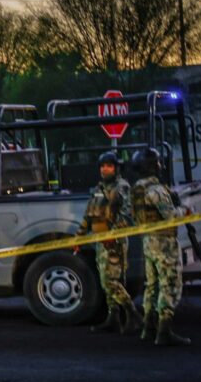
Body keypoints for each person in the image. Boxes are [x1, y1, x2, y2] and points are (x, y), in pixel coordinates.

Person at [75, 151, 141, 334]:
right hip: (100, 241)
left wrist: (113, 234)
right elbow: (89, 215)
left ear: (116, 168)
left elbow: (127, 215)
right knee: (106, 282)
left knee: (112, 281)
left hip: (114, 241)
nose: (105, 169)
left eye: (109, 166)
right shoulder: (98, 189)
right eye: (102, 166)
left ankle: (133, 315)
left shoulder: (121, 187)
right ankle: (113, 318)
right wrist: (78, 237)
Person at [132, 148, 191, 346]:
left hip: (148, 241)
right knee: (170, 284)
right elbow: (171, 217)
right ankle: (164, 332)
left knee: (152, 285)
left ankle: (148, 329)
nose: (160, 165)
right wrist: (183, 209)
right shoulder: (156, 190)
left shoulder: (137, 189)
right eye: (157, 162)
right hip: (164, 242)